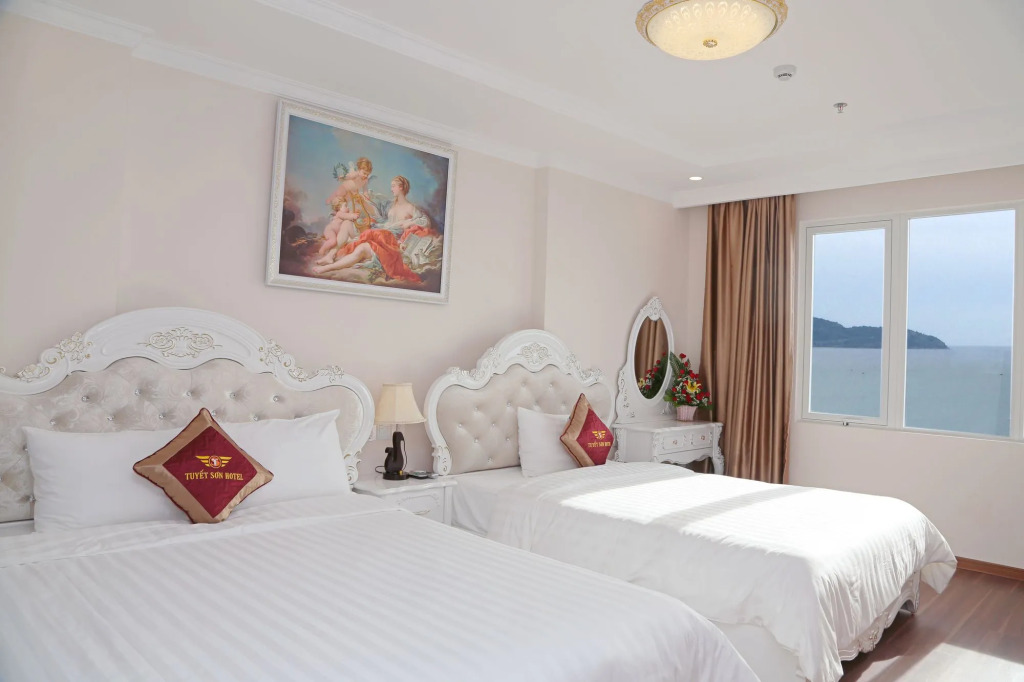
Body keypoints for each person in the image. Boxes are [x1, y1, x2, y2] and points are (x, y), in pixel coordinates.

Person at [316, 157, 376, 263]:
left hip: (351, 193)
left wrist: (366, 197)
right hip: (344, 188)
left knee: (346, 208)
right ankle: (331, 201)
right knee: (338, 200)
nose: (365, 175)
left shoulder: (365, 180)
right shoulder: (355, 174)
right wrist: (343, 177)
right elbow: (347, 176)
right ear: (359, 170)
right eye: (364, 173)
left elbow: (365, 191)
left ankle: (339, 230)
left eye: (367, 174)